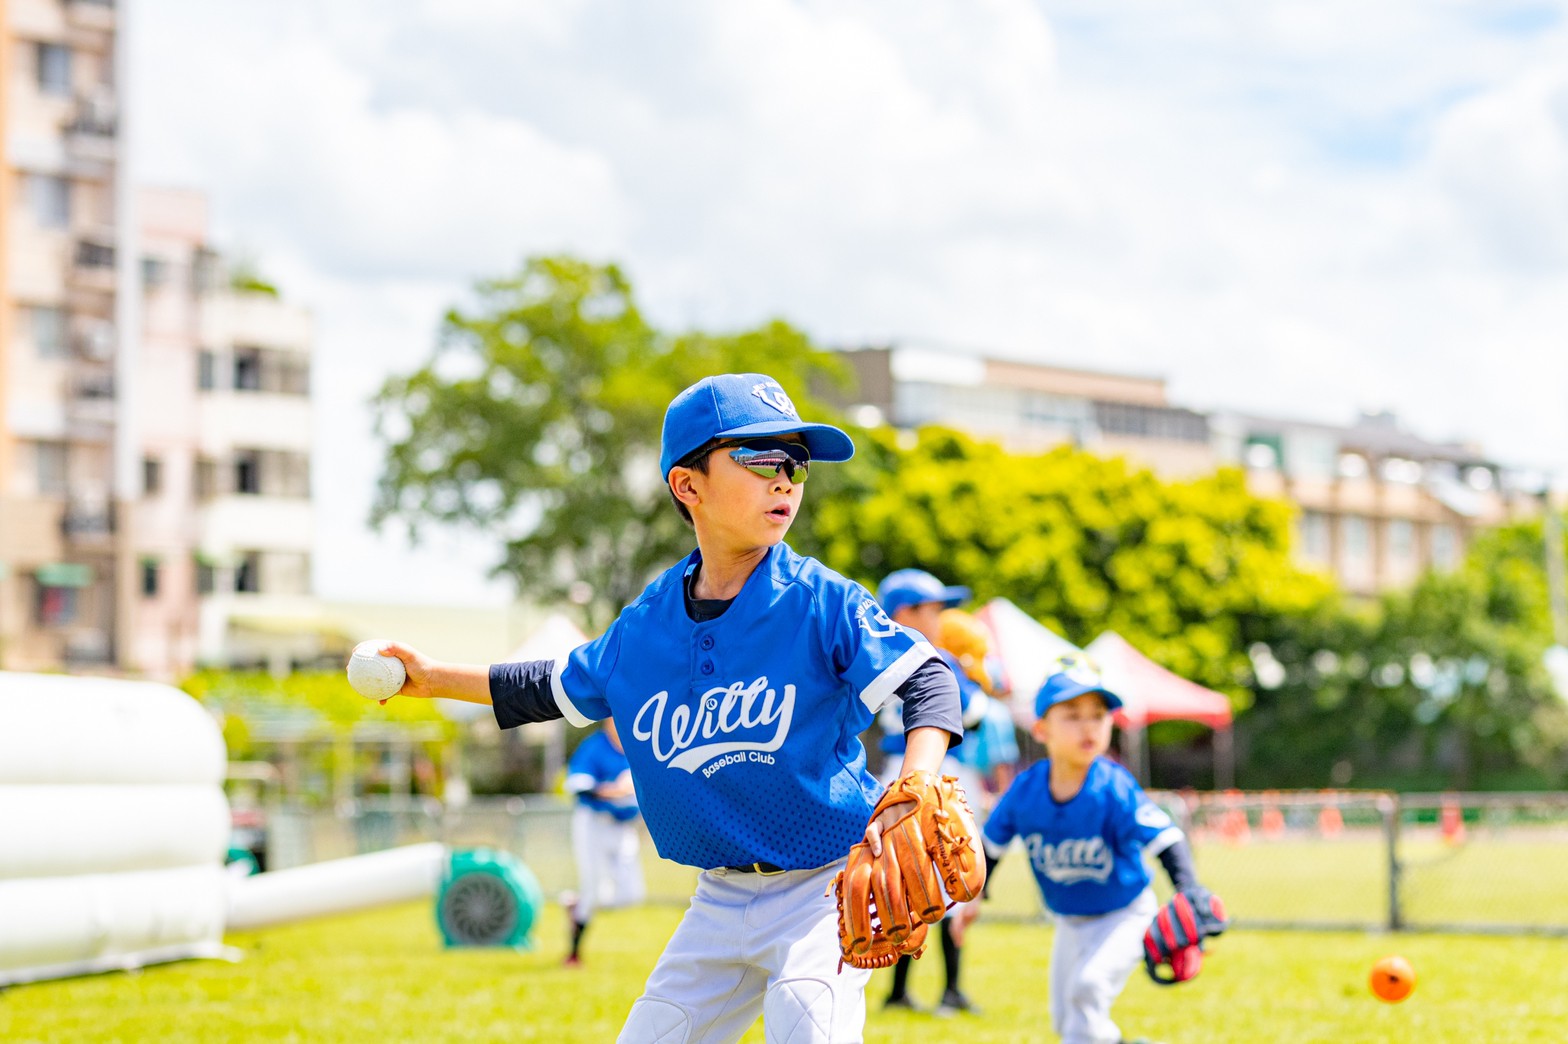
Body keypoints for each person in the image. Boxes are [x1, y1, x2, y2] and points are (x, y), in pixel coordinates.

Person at [365, 373, 964, 1043]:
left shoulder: (822, 601)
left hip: (821, 887)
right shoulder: (646, 626)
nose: (786, 479)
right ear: (688, 485)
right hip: (718, 899)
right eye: (760, 457)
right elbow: (548, 685)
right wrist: (431, 678)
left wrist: (917, 780)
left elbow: (929, 680)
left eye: (796, 462)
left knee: (806, 1021)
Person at [952, 653, 1206, 1044]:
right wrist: (973, 898)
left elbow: (1166, 837)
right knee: (1069, 1025)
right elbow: (991, 847)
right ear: (1040, 729)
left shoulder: (1113, 786)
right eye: (1072, 714)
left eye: (1098, 714)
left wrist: (1189, 889)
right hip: (1069, 920)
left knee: (1087, 991)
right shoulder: (1026, 790)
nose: (1088, 725)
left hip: (1125, 914)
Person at [872, 572, 990, 1018]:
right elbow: (973, 714)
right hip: (936, 777)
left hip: (892, 775)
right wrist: (977, 675)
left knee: (908, 883)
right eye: (932, 609)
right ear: (904, 614)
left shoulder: (876, 655)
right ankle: (951, 989)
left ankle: (898, 990)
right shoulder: (934, 658)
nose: (941, 617)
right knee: (950, 879)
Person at [563, 718, 645, 967]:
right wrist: (613, 790)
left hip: (622, 827)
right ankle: (573, 955)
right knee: (593, 892)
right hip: (593, 823)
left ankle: (577, 905)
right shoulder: (595, 746)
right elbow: (577, 785)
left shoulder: (636, 744)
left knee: (632, 894)